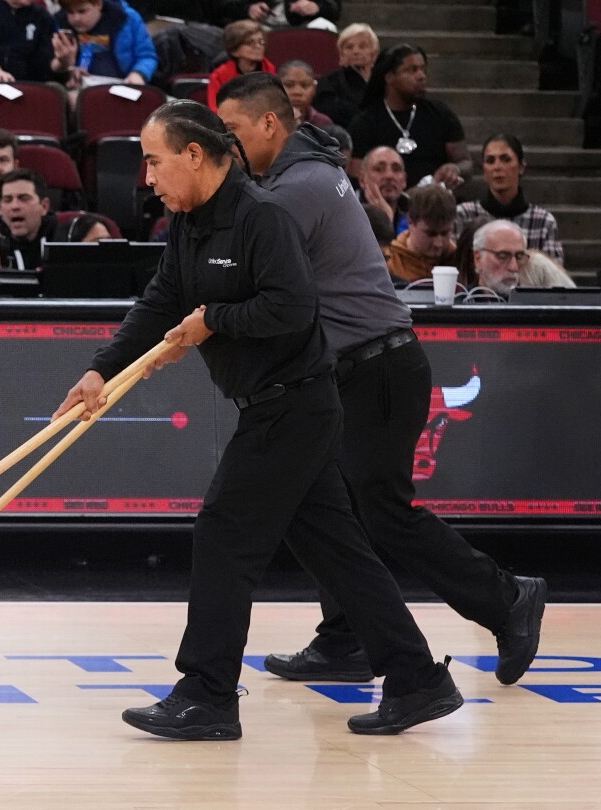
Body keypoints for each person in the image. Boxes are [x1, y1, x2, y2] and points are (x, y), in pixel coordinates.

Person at [53, 99, 462, 741]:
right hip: (279, 404)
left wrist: (214, 320)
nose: (149, 179)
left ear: (195, 155)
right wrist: (103, 368)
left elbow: (293, 309)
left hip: (294, 404)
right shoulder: (189, 222)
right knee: (338, 550)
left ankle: (208, 694)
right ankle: (417, 678)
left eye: (156, 162)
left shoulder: (263, 217)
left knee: (223, 534)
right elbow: (161, 299)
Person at [217, 73, 545, 689]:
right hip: (353, 368)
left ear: (268, 124)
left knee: (383, 512)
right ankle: (346, 636)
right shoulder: (303, 173)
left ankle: (506, 598)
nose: (226, 144)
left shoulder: (299, 187)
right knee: (322, 509)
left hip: (377, 367)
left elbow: (244, 269)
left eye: (231, 130)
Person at [347, 44, 469, 191]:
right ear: (389, 77)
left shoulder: (440, 114)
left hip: (433, 205)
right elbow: (356, 177)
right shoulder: (365, 122)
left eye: (423, 69)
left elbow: (465, 162)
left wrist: (455, 168)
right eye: (412, 70)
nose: (421, 76)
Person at [453, 134, 563, 263]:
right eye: (490, 160)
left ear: (521, 167)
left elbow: (553, 277)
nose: (497, 167)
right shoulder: (464, 215)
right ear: (484, 171)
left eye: (505, 159)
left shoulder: (543, 222)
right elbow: (458, 269)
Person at [52, 0, 157, 88]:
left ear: (98, 4)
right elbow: (53, 63)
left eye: (82, 11)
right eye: (70, 12)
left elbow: (147, 56)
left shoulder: (127, 18)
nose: (76, 18)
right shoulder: (61, 23)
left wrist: (138, 73)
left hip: (125, 85)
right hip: (83, 88)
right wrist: (69, 69)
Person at [387, 184, 456, 284]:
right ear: (410, 222)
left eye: (445, 233)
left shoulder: (459, 260)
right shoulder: (390, 262)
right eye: (430, 234)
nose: (438, 244)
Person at [314, 22, 377, 127]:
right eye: (349, 47)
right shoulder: (328, 83)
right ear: (341, 55)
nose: (356, 51)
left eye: (362, 46)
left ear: (373, 54)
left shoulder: (385, 82)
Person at [0, 168, 60, 269]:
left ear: (44, 207)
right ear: (0, 209)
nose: (14, 206)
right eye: (7, 200)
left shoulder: (62, 237)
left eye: (24, 198)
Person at [207, 20, 274, 110]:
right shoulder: (220, 76)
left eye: (261, 42)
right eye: (250, 43)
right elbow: (215, 109)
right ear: (234, 51)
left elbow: (274, 104)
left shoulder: (269, 70)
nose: (258, 46)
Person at [466, 218, 528, 300]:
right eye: (502, 256)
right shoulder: (456, 306)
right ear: (478, 258)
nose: (514, 267)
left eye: (519, 256)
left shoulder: (537, 307)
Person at [358, 145, 407, 234]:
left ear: (404, 180)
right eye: (379, 169)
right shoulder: (348, 215)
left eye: (396, 169)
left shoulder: (415, 219)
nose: (389, 176)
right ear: (362, 180)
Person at [219, 0, 337, 32]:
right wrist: (248, 9)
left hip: (300, 26)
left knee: (325, 26)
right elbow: (223, 6)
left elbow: (334, 8)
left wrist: (317, 7)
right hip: (258, 26)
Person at [277, 60, 330, 128]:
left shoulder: (322, 122)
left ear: (314, 88)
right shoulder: (265, 121)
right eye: (289, 85)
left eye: (305, 85)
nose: (297, 92)